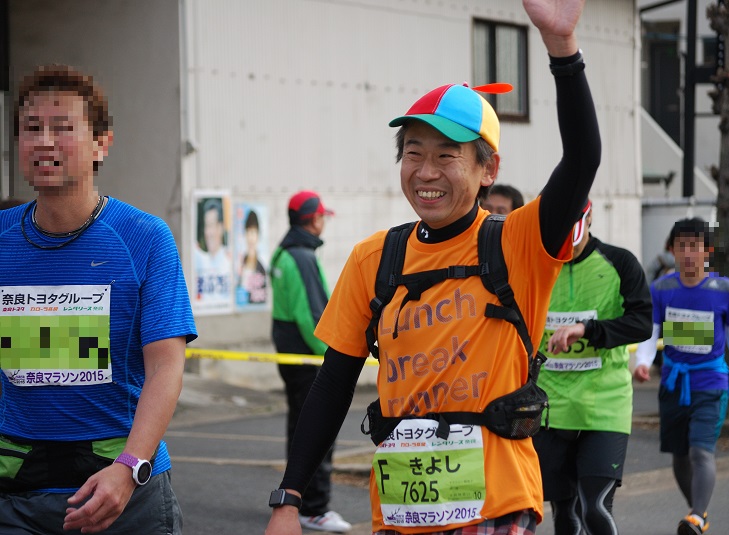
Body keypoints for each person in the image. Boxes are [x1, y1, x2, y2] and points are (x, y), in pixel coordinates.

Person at [264, 1, 601, 533]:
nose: (425, 171)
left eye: (447, 155)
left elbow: (582, 159)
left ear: (488, 169)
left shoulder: (518, 242)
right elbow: (332, 384)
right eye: (413, 152)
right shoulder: (374, 258)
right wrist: (289, 498)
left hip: (494, 505)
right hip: (401, 509)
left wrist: (563, 48)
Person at [0, 65, 196, 533]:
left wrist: (129, 468)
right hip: (16, 494)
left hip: (126, 492)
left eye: (63, 127)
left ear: (101, 143)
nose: (45, 141)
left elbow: (166, 366)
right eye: (32, 128)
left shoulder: (144, 237)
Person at [535, 198, 652, 535]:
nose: (566, 247)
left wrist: (587, 330)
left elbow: (642, 323)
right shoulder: (535, 265)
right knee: (564, 514)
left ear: (588, 220)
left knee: (595, 508)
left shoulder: (620, 262)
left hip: (604, 405)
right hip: (550, 408)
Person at [634, 217, 729, 535]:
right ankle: (697, 513)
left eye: (695, 247)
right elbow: (652, 329)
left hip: (710, 381)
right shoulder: (662, 288)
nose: (688, 254)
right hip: (674, 381)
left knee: (700, 450)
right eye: (682, 246)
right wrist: (643, 362)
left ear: (707, 251)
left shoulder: (723, 289)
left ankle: (697, 516)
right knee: (679, 457)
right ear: (672, 250)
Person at [269, 190, 350, 532]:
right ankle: (314, 508)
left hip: (291, 357)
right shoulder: (302, 256)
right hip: (308, 360)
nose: (323, 222)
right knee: (318, 432)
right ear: (313, 219)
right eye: (322, 217)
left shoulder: (283, 251)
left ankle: (299, 502)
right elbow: (312, 316)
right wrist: (332, 358)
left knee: (301, 431)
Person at [194, 196, 233, 308]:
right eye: (206, 226)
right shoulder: (200, 259)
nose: (208, 232)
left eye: (211, 225)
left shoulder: (229, 261)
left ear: (220, 228)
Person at [236, 209, 268, 305]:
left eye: (253, 232)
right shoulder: (240, 264)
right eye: (248, 232)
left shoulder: (262, 268)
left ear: (258, 235)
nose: (250, 238)